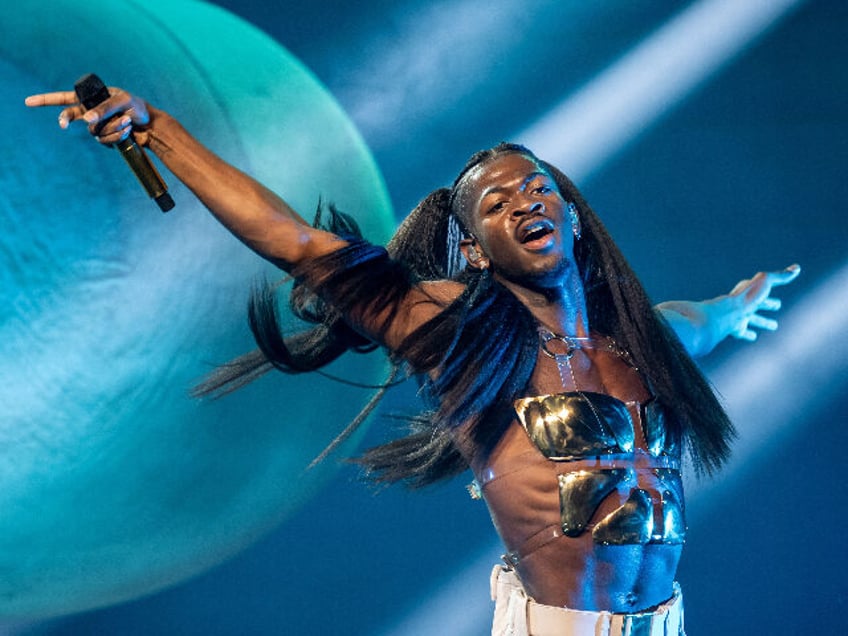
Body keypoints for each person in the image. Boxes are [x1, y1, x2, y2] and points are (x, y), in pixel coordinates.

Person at [25, 86, 799, 635]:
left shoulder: (644, 342)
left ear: (573, 217)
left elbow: (705, 320)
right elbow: (293, 243)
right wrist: (156, 128)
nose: (525, 203)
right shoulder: (456, 332)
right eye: (497, 205)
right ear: (475, 250)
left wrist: (741, 301)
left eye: (537, 190)